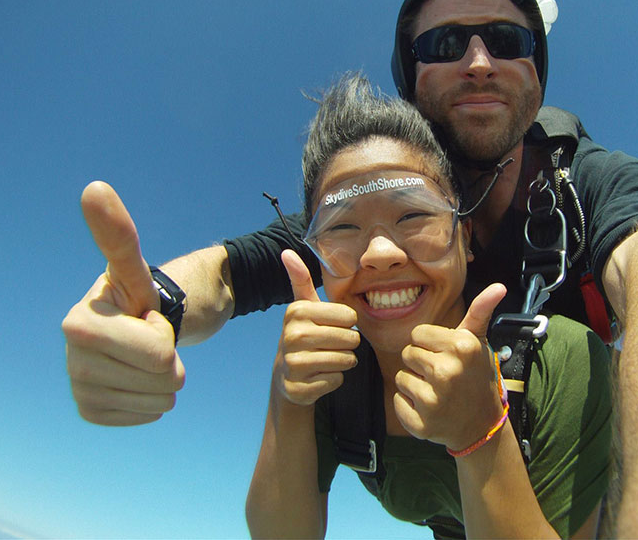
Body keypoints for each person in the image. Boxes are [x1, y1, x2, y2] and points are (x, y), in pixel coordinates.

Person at [62, 0, 638, 537]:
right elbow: (230, 274)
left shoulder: (593, 186)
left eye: (506, 37)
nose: (478, 62)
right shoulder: (368, 226)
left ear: (538, 68)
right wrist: (147, 312)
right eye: (443, 46)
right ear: (411, 80)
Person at [244, 72, 611, 539]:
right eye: (341, 228)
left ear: (465, 236)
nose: (379, 254)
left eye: (414, 214)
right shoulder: (330, 376)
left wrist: (479, 433)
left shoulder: (557, 358)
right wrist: (287, 398)